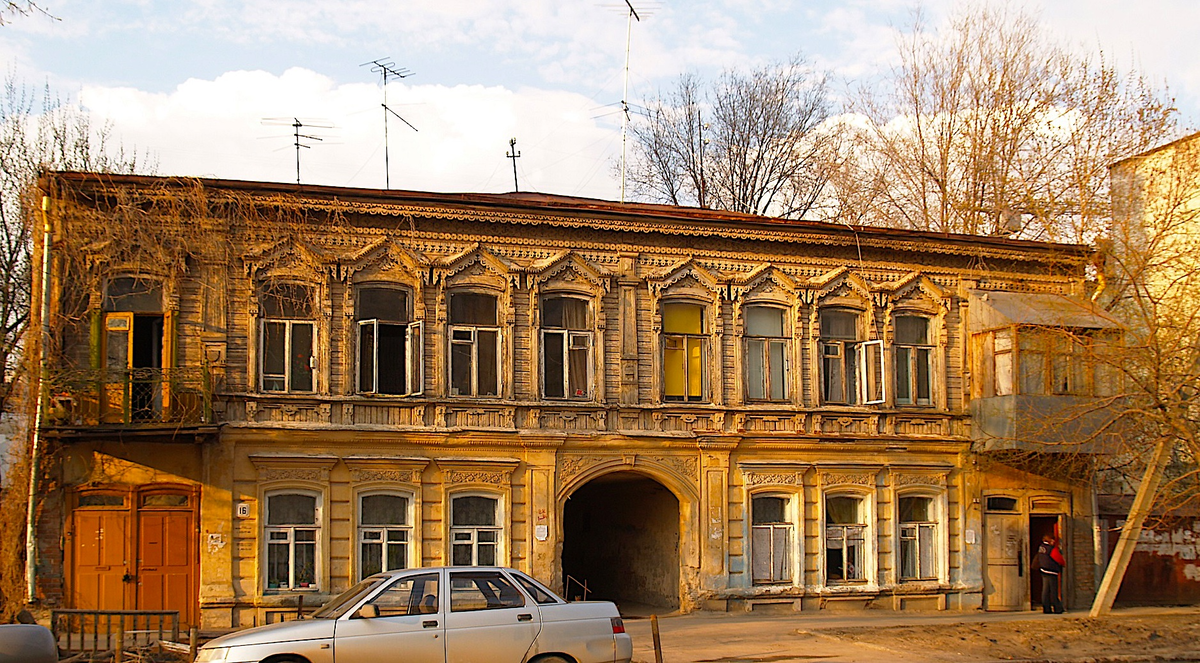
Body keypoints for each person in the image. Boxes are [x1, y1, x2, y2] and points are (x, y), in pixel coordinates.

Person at [1035, 534, 1066, 614]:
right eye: (1052, 540)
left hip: (1043, 570)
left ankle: (1046, 608)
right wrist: (1063, 563)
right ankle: (1057, 608)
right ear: (1049, 540)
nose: (1054, 542)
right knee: (1053, 591)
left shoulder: (1041, 547)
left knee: (1045, 591)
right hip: (1052, 571)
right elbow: (1059, 559)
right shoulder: (1051, 549)